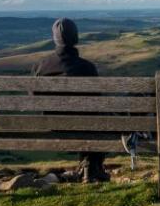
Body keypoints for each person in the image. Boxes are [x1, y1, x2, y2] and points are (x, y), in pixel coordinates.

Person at [32, 17, 109, 183]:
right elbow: (97, 101)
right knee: (98, 120)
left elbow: (34, 97)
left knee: (93, 121)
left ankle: (88, 168)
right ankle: (90, 169)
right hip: (85, 125)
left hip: (51, 125)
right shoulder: (87, 67)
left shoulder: (41, 66)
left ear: (55, 39)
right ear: (76, 38)